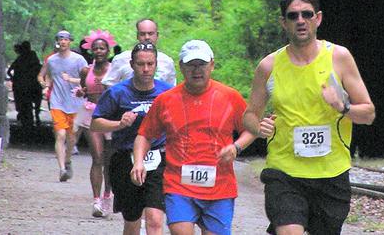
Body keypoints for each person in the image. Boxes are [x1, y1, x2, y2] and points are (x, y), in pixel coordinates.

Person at [243, 0, 376, 235]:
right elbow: (250, 115)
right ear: (284, 23)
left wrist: (342, 106)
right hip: (284, 171)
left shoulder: (339, 57)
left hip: (331, 171)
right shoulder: (269, 66)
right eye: (293, 16)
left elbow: (367, 114)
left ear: (318, 18)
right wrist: (258, 127)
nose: (301, 21)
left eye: (307, 14)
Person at [132, 40, 256, 235]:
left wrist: (236, 147)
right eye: (191, 65)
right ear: (181, 67)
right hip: (179, 185)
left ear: (212, 65)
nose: (197, 70)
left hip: (220, 187)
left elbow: (251, 129)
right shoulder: (166, 100)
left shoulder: (230, 96)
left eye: (202, 64)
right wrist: (138, 162)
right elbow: (145, 135)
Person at [90, 42, 172, 235]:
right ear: (132, 64)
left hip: (158, 160)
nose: (145, 69)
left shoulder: (167, 92)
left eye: (150, 64)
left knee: (154, 219)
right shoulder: (117, 92)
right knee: (132, 220)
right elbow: (96, 123)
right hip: (125, 160)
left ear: (156, 64)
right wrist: (119, 123)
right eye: (140, 64)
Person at [72, 30, 117, 217]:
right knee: (97, 157)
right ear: (91, 51)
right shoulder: (85, 71)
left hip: (111, 115)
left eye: (102, 48)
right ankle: (96, 201)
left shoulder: (114, 69)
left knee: (110, 160)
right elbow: (84, 87)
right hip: (92, 114)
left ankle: (108, 194)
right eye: (95, 48)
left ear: (108, 50)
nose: (99, 51)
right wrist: (82, 92)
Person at [38, 30, 88, 182]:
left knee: (71, 138)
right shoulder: (51, 60)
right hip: (57, 101)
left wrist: (72, 80)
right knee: (60, 135)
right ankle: (61, 169)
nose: (63, 42)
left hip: (75, 102)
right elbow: (41, 75)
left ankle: (67, 161)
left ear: (70, 42)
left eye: (66, 39)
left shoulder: (79, 60)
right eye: (60, 39)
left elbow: (87, 80)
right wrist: (44, 84)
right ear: (57, 42)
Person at [101, 18, 176, 88]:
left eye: (150, 33)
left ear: (157, 35)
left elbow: (171, 89)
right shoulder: (121, 59)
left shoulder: (167, 61)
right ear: (137, 36)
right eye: (142, 34)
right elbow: (109, 85)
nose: (147, 37)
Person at [7, 41, 42, 127]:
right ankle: (36, 116)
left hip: (21, 85)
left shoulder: (20, 58)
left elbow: (9, 71)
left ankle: (24, 115)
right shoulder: (33, 58)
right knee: (36, 100)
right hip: (33, 84)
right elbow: (39, 69)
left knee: (23, 101)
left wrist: (13, 78)